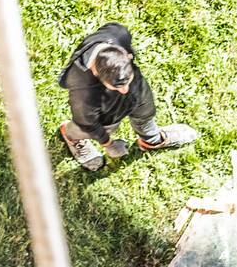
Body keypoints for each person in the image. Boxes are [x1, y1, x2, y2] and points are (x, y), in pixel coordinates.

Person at [57, 22, 197, 172]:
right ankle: (71, 136)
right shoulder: (81, 85)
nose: (125, 90)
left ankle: (151, 140)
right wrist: (108, 144)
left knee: (144, 113)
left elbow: (119, 34)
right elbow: (87, 122)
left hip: (137, 90)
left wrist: (129, 83)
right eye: (118, 86)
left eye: (127, 82)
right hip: (103, 108)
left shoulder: (117, 34)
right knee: (93, 127)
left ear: (126, 56)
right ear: (95, 72)